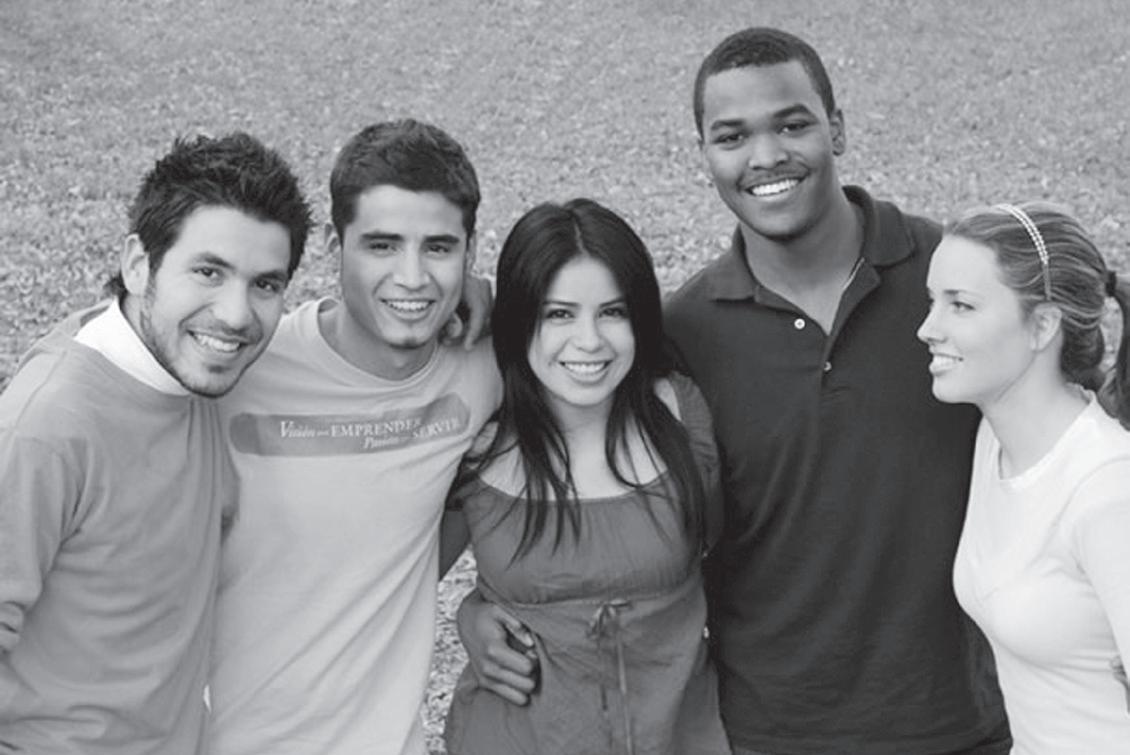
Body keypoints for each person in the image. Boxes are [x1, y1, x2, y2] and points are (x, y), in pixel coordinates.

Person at [459, 27, 1011, 754]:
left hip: (959, 723)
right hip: (766, 733)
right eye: (732, 136)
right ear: (705, 156)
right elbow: (598, 500)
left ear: (838, 128)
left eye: (792, 124)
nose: (765, 156)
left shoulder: (949, 277)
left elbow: (1059, 442)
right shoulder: (683, 335)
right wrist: (483, 606)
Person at [0, 132, 312, 754]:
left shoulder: (191, 369)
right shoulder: (46, 429)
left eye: (265, 285)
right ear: (138, 264)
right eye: (208, 272)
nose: (235, 315)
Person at [206, 119, 502, 755]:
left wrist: (498, 299)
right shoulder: (240, 367)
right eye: (382, 245)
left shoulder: (487, 365)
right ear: (333, 247)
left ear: (471, 251)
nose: (412, 277)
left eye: (439, 248)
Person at [442, 198, 729, 755]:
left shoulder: (680, 415)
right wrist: (467, 615)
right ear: (520, 320)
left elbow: (735, 559)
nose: (590, 341)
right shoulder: (479, 442)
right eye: (559, 314)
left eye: (612, 312)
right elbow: (401, 578)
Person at [918, 202, 1130, 753]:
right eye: (931, 301)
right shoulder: (993, 442)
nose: (927, 329)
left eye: (960, 305)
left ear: (1042, 326)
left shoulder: (1108, 491)